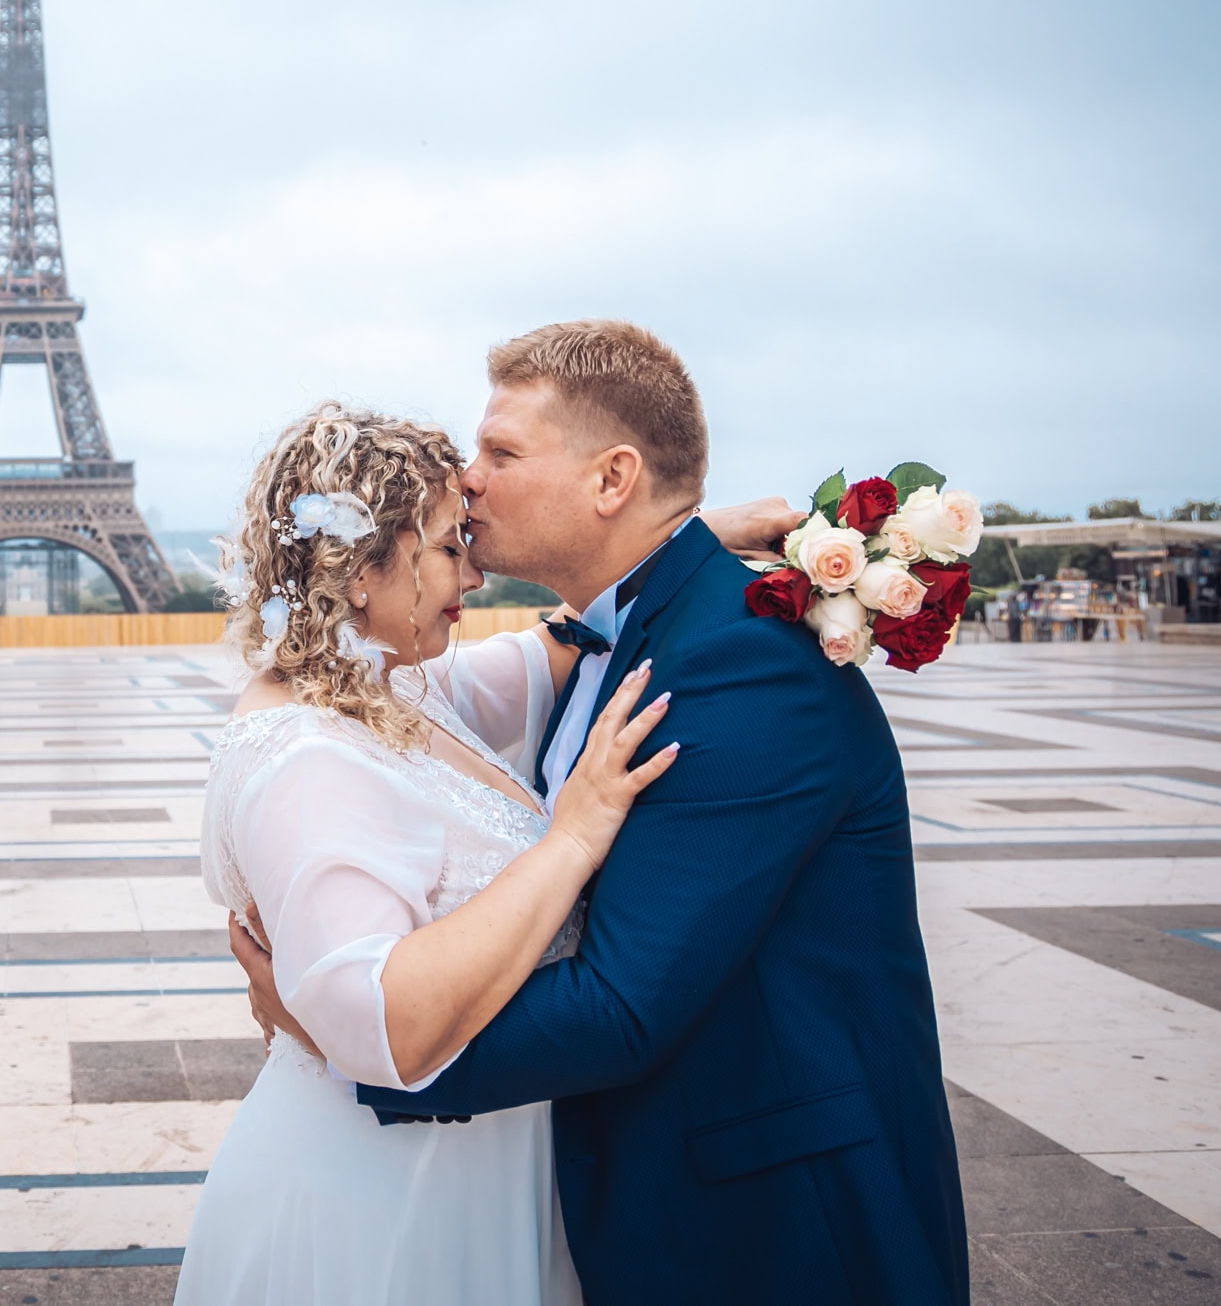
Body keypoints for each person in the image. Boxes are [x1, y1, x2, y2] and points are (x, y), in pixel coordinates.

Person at [225, 322, 968, 1305]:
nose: (470, 478)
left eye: (501, 451)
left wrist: (349, 1046)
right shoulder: (584, 645)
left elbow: (619, 1004)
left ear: (613, 478)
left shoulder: (738, 661)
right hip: (541, 1198)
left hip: (777, 1227)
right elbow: (548, 650)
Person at [175, 399, 799, 1304]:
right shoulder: (309, 755)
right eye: (446, 546)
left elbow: (554, 644)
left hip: (463, 1170)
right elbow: (384, 1022)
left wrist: (694, 535)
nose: (473, 570)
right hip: (391, 1207)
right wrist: (573, 836)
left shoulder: (392, 687)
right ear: (362, 568)